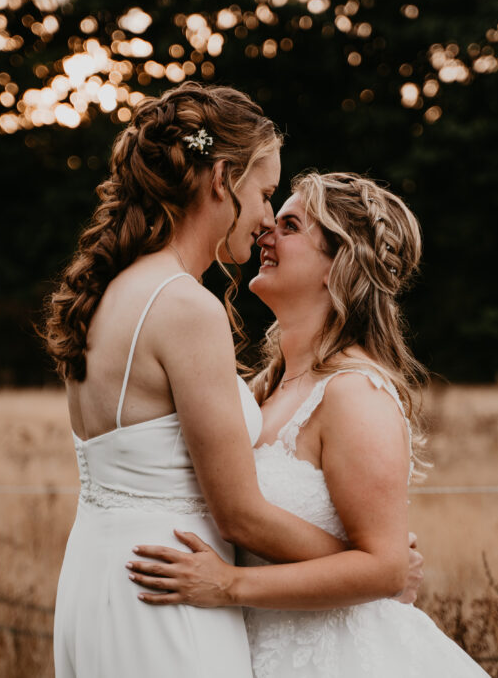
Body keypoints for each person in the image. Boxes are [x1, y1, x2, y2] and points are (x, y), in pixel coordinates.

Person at [42, 84, 420, 678]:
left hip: (103, 575)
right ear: (222, 179)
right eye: (267, 194)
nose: (267, 220)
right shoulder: (185, 306)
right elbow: (237, 513)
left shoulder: (111, 294)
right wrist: (370, 564)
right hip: (169, 591)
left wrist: (377, 564)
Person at [127, 172, 490, 677]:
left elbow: (384, 567)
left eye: (290, 226)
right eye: (272, 222)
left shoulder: (354, 394)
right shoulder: (262, 392)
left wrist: (229, 585)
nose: (264, 235)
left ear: (337, 265)